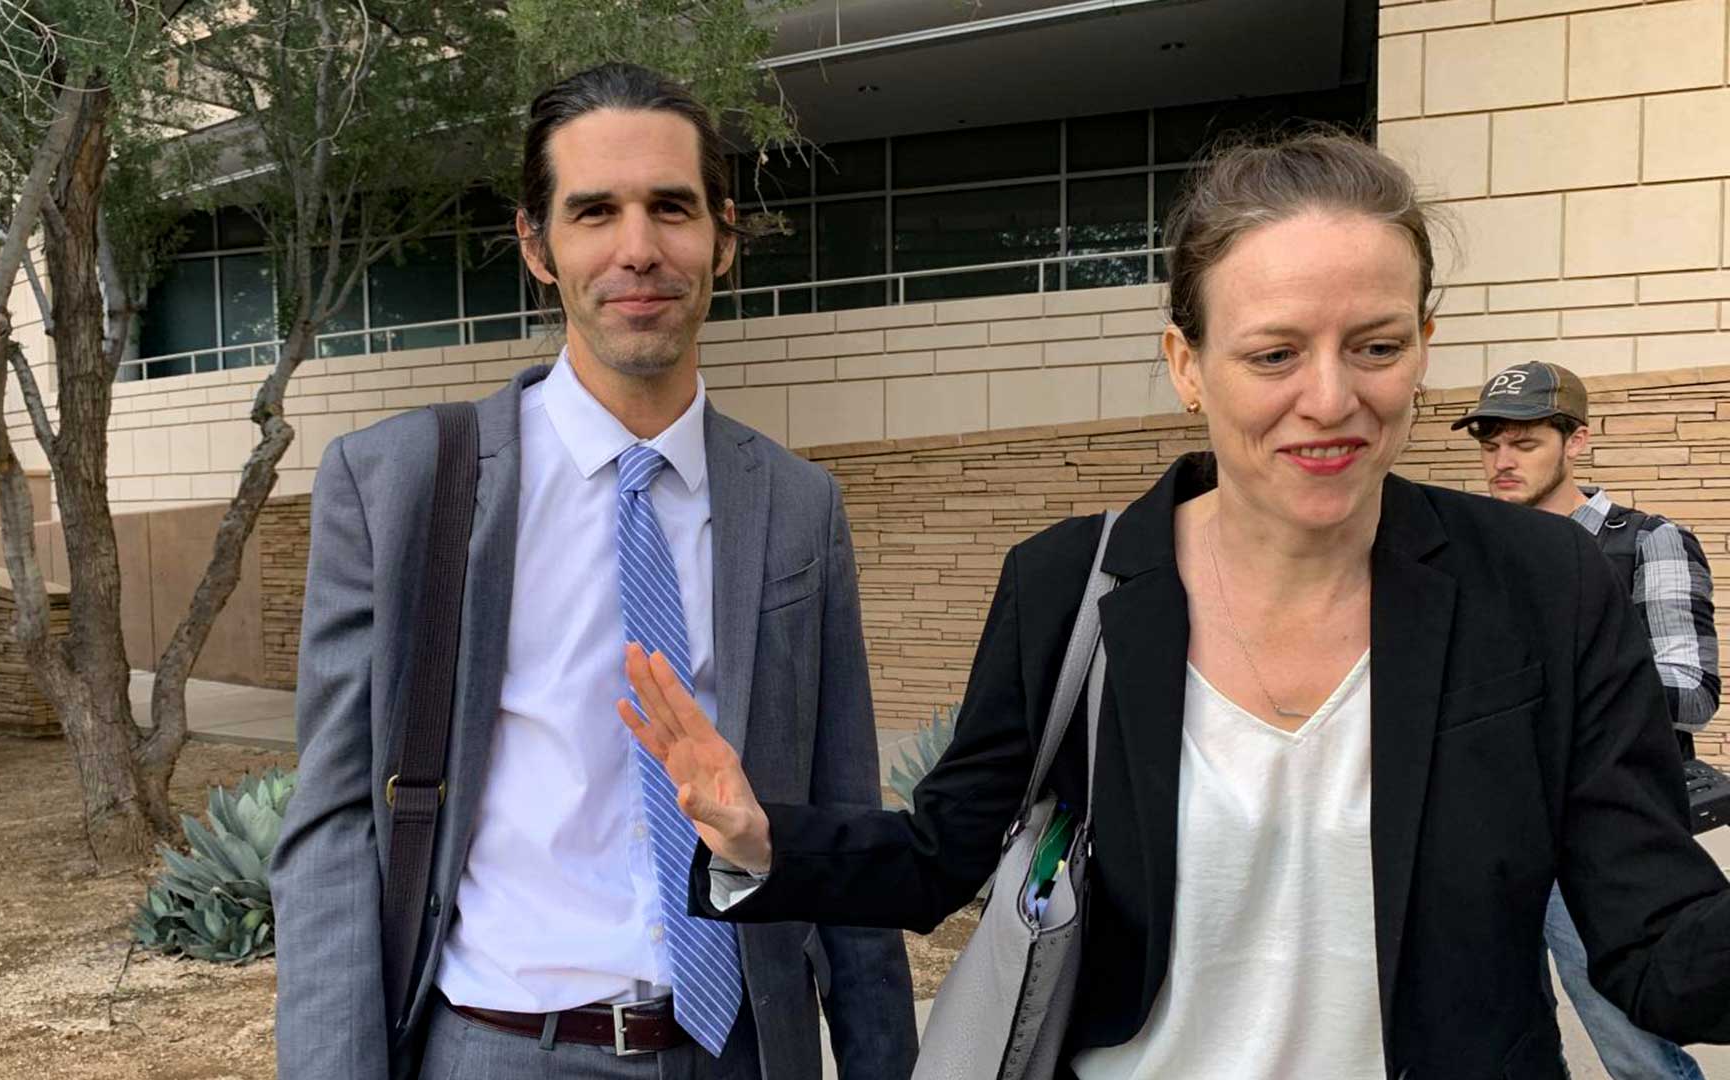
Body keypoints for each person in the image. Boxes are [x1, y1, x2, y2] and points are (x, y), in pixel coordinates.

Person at [619, 132, 1730, 1080]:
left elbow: (1651, 940)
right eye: (1275, 352)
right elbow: (944, 852)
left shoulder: (1544, 585)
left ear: (1425, 348)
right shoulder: (1074, 586)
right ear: (1187, 364)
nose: (1331, 398)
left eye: (1378, 347)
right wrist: (763, 839)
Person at [272, 62, 916, 1080]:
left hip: (739, 1051)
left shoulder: (798, 508)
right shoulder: (400, 487)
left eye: (671, 207)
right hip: (499, 1050)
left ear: (725, 237)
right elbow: (334, 835)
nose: (638, 250)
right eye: (594, 212)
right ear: (537, 243)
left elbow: (844, 825)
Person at [1462, 361, 1720, 1080]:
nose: (1503, 462)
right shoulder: (1475, 555)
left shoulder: (1646, 541)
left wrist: (1562, 693)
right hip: (1489, 835)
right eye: (1490, 445)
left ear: (1576, 441)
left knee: (1635, 1050)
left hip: (1594, 838)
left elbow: (1692, 688)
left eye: (1525, 443)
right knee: (1503, 1046)